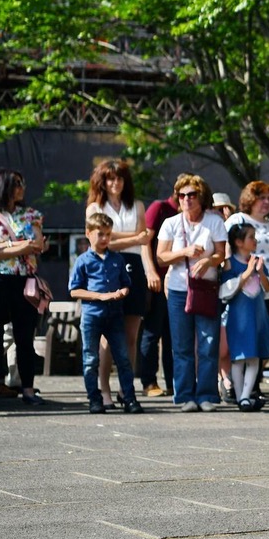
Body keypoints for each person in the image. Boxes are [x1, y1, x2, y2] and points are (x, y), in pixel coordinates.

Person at [85, 160, 154, 408]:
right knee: (106, 336)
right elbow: (104, 242)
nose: (115, 183)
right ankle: (104, 390)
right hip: (106, 268)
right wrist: (134, 237)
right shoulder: (95, 207)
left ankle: (127, 390)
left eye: (120, 178)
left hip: (134, 267)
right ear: (103, 181)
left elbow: (143, 240)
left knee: (131, 335)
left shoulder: (137, 206)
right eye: (111, 178)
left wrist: (149, 270)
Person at [156, 173, 228, 411]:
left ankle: (207, 395)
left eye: (192, 194)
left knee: (208, 344)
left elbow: (220, 254)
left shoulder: (214, 221)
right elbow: (161, 256)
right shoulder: (171, 223)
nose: (186, 199)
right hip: (178, 290)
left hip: (206, 288)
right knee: (182, 345)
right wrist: (184, 252)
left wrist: (208, 261)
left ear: (201, 196)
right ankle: (185, 395)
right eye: (182, 195)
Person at [69, 212, 144, 414]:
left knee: (123, 358)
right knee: (91, 358)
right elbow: (74, 290)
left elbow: (126, 284)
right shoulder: (83, 261)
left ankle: (129, 398)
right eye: (100, 234)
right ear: (88, 233)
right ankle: (95, 398)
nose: (104, 239)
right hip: (92, 315)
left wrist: (122, 292)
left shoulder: (117, 259)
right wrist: (100, 296)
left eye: (108, 234)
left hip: (115, 314)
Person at [0, 168, 49, 406]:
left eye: (22, 183)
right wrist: (24, 247)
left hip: (25, 281)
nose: (21, 188)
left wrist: (6, 248)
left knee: (25, 337)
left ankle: (27, 388)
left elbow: (38, 245)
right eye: (16, 184)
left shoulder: (31, 214)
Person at [220, 222, 269, 411]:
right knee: (238, 357)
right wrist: (246, 273)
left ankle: (245, 396)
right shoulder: (230, 263)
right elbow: (225, 291)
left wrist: (260, 272)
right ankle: (240, 396)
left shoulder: (258, 261)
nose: (255, 240)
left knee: (254, 357)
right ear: (238, 242)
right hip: (239, 318)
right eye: (251, 237)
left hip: (257, 315)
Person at [139, 189, 178, 396]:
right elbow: (145, 240)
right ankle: (149, 382)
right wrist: (151, 271)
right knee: (152, 331)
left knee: (172, 334)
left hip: (176, 281)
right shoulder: (159, 208)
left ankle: (173, 381)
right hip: (157, 279)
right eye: (184, 194)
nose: (188, 199)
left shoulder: (189, 215)